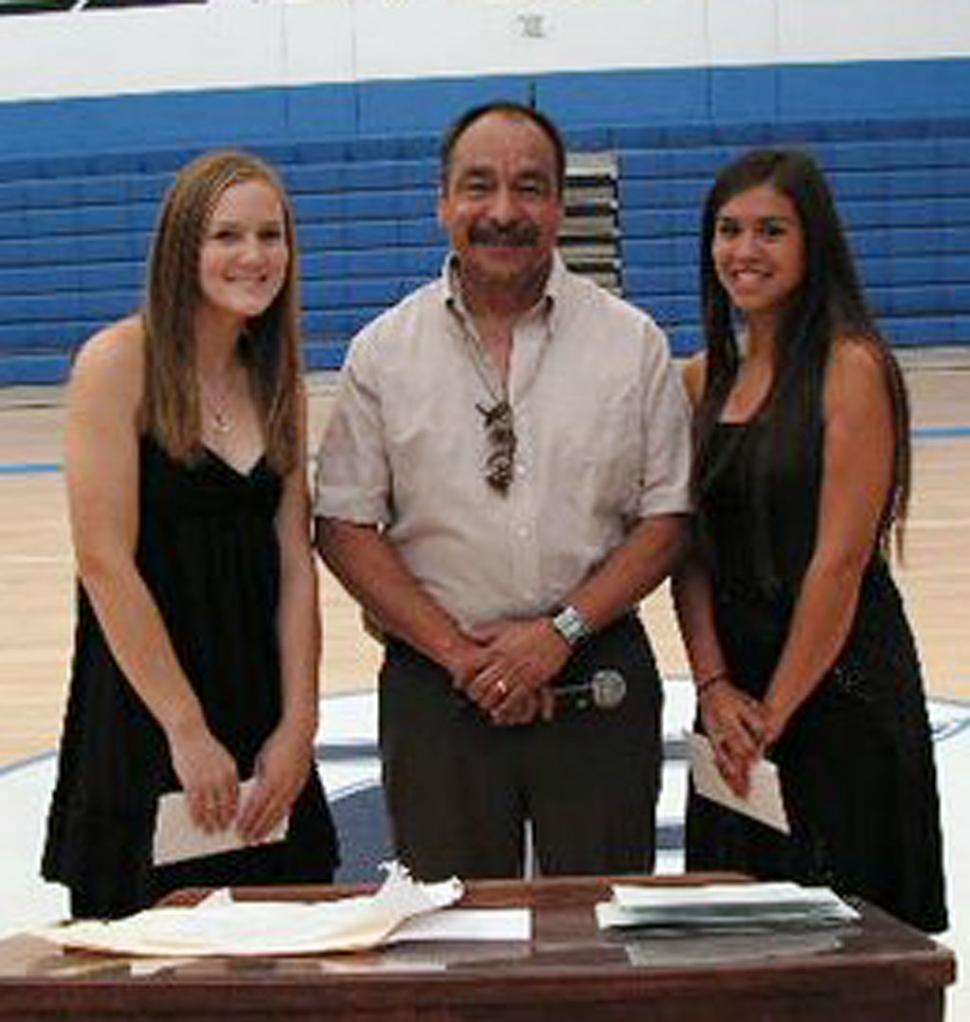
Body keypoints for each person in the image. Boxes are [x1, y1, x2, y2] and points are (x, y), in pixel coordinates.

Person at [314, 101, 692, 882]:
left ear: (558, 203)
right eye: (478, 186)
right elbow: (345, 524)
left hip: (596, 676)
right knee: (450, 948)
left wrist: (557, 635)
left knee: (600, 935)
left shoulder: (633, 343)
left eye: (530, 187)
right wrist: (461, 655)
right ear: (443, 201)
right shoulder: (383, 352)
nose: (503, 212)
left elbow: (667, 518)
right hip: (437, 687)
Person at [42, 150, 339, 919]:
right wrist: (187, 729)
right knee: (151, 949)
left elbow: (295, 563)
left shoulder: (276, 376)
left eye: (270, 235)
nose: (253, 256)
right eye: (227, 236)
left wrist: (299, 725)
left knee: (287, 940)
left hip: (259, 704)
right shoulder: (117, 363)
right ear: (183, 247)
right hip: (152, 709)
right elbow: (104, 562)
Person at [673, 147, 948, 932]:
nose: (744, 250)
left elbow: (840, 563)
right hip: (733, 700)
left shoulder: (851, 367)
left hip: (837, 688)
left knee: (849, 943)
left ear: (811, 243)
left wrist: (772, 714)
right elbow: (686, 554)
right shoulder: (697, 381)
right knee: (732, 941)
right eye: (728, 230)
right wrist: (715, 688)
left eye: (771, 231)